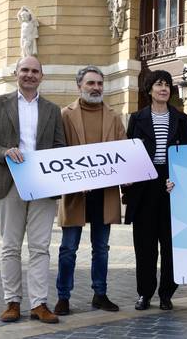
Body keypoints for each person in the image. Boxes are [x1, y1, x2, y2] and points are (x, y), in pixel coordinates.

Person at [0, 56, 66, 324]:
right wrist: (4, 152)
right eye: (24, 70)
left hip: (42, 184)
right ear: (16, 73)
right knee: (11, 246)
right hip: (8, 181)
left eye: (34, 71)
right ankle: (12, 302)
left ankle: (39, 304)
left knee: (40, 247)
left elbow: (60, 146)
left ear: (42, 76)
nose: (29, 75)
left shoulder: (52, 109)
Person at [53, 66, 127, 316]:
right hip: (75, 193)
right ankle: (63, 296)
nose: (96, 88)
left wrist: (127, 175)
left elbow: (123, 153)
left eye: (99, 83)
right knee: (68, 248)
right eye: (91, 83)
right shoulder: (65, 115)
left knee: (102, 248)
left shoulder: (114, 116)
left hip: (104, 193)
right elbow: (57, 153)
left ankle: (100, 294)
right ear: (79, 86)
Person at [123, 70, 187, 311]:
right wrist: (128, 179)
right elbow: (129, 153)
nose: (163, 89)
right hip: (144, 186)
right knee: (144, 245)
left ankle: (166, 293)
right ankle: (144, 293)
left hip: (171, 186)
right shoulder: (137, 118)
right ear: (150, 89)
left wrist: (179, 179)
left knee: (170, 244)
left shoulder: (182, 119)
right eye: (159, 84)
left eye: (167, 85)